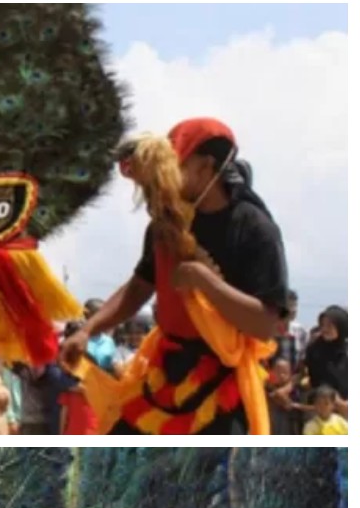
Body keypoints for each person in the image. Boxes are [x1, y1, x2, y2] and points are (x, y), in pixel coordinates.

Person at [62, 118, 287, 434]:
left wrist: (203, 279)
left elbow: (264, 325)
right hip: (163, 369)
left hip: (223, 380)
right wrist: (89, 329)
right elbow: (140, 286)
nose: (162, 180)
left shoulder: (255, 229)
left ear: (206, 166)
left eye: (175, 165)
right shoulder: (165, 226)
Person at [303, 306, 347, 408]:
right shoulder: (314, 348)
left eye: (330, 326)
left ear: (341, 327)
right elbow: (309, 375)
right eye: (323, 325)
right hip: (319, 407)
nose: (325, 329)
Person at [265, 357, 301, 436]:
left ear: (290, 374)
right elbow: (274, 396)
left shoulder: (294, 390)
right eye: (278, 372)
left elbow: (288, 405)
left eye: (285, 372)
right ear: (272, 372)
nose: (282, 375)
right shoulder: (266, 388)